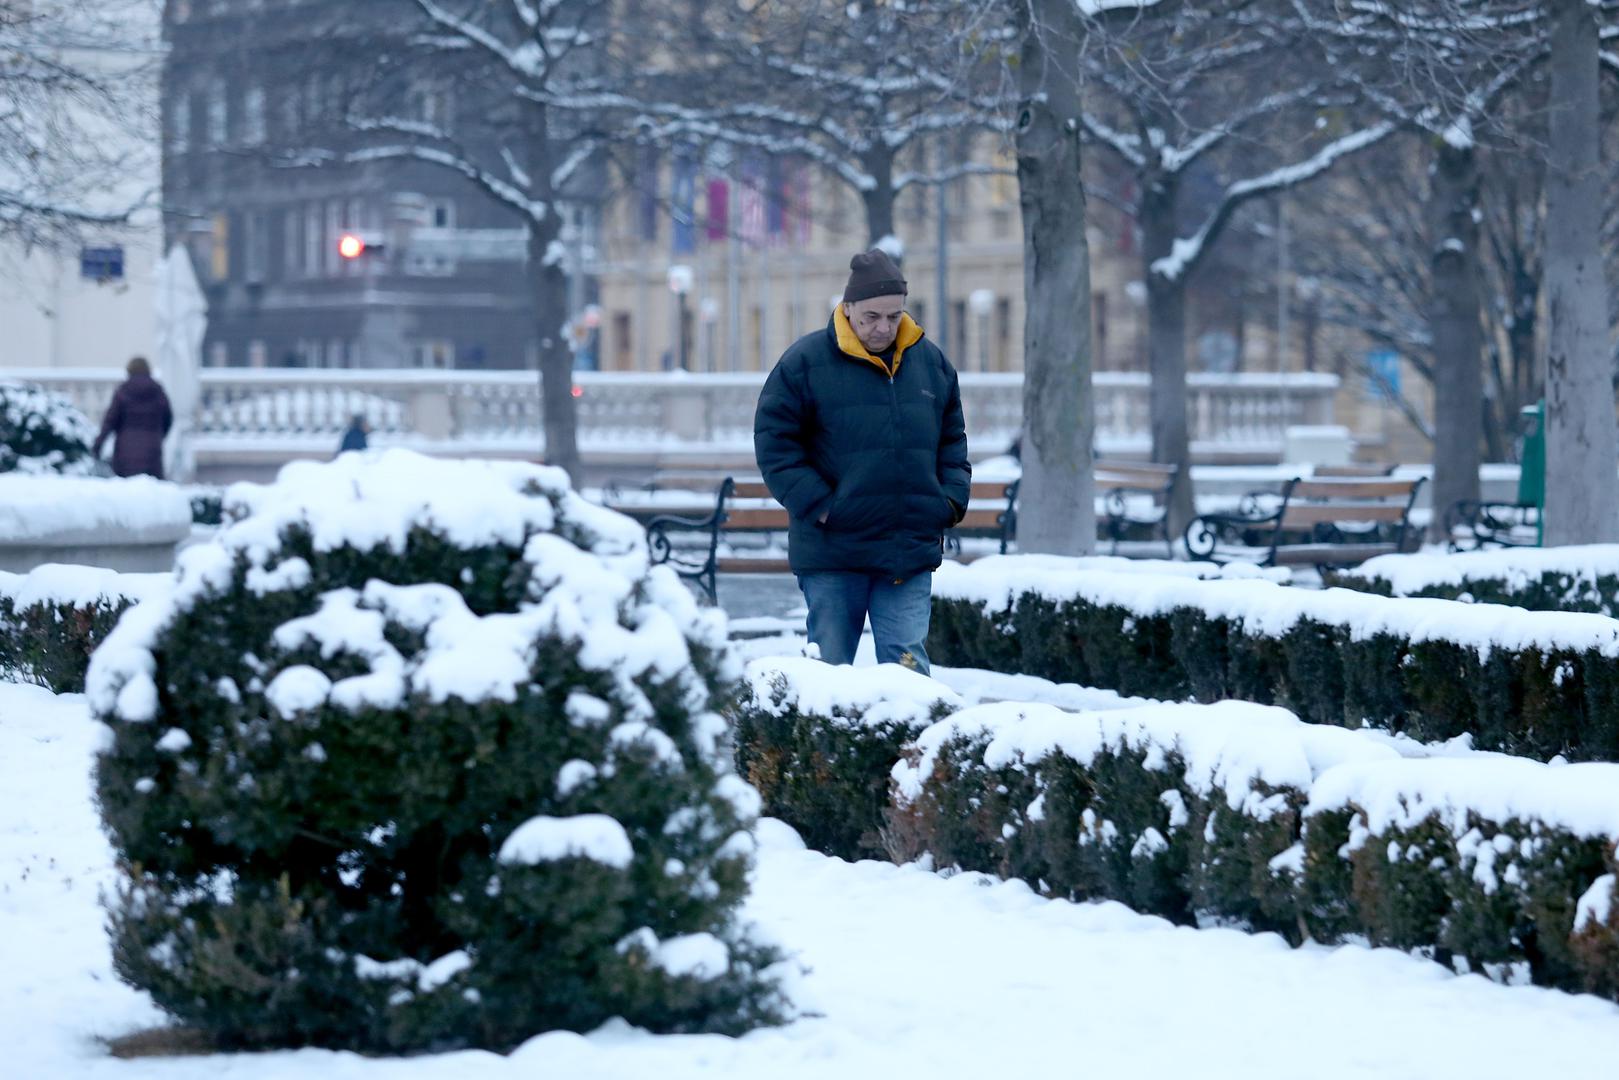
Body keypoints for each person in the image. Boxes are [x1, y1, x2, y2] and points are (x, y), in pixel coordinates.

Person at [754, 248, 970, 674]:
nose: (883, 327)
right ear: (848, 307)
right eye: (871, 316)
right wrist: (823, 507)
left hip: (907, 550)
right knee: (830, 674)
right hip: (834, 552)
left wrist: (946, 503)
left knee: (909, 675)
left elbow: (953, 442)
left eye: (893, 316)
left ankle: (905, 745)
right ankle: (824, 745)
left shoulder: (931, 363)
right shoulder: (805, 362)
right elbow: (775, 445)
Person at [93, 356, 174, 479]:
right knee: (153, 492)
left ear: (129, 370)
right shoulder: (158, 390)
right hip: (152, 451)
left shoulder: (123, 390)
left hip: (125, 452)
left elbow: (110, 421)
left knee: (126, 493)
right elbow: (168, 418)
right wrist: (159, 435)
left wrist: (98, 445)